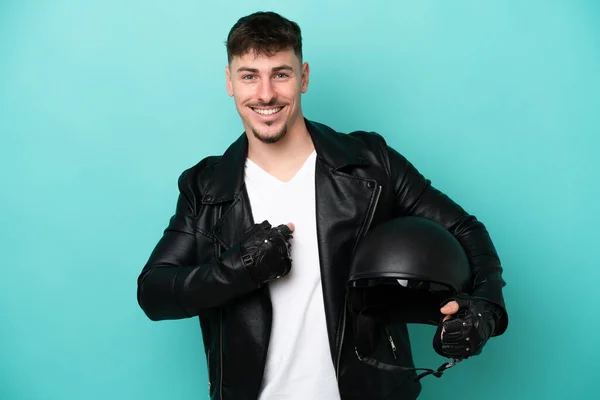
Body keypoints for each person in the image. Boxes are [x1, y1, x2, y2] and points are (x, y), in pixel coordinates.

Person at [136, 11, 508, 400]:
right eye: (249, 75)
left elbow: (464, 230)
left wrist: (485, 308)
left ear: (304, 77)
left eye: (280, 74)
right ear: (230, 82)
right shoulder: (206, 186)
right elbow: (155, 291)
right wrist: (240, 268)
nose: (265, 94)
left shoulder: (371, 163)